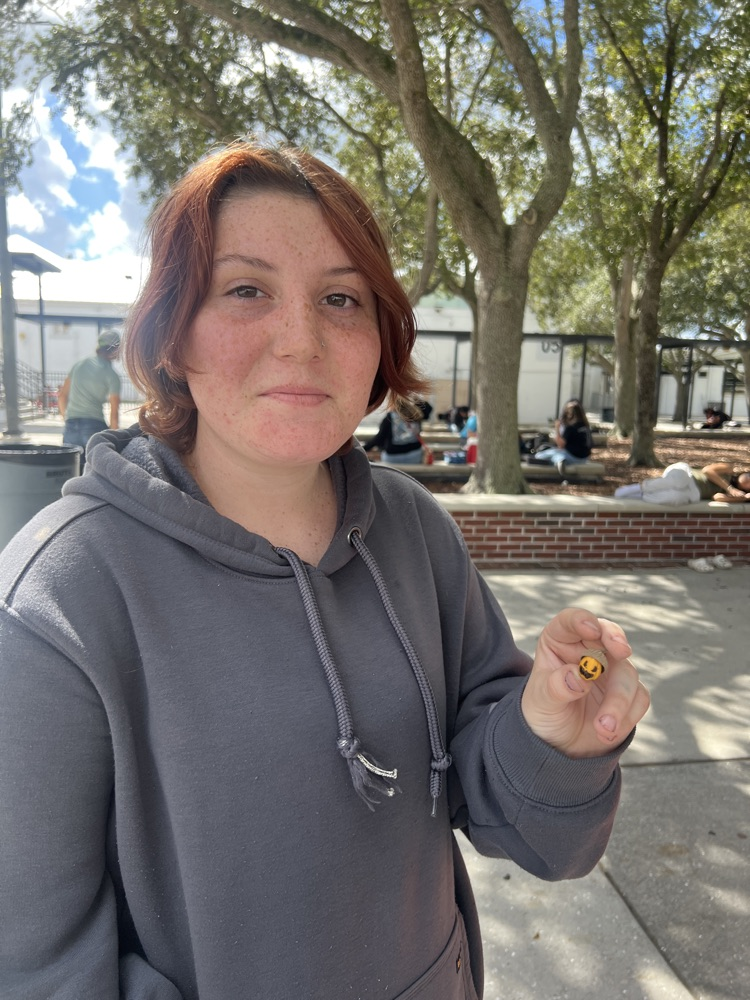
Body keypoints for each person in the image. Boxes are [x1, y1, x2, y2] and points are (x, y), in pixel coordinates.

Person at [0, 142, 649, 1000]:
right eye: (245, 290)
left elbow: (528, 828)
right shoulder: (59, 599)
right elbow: (37, 968)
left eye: (341, 298)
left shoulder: (415, 530)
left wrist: (552, 740)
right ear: (170, 329)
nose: (302, 339)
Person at [58, 328, 122, 459]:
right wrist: (114, 436)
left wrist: (67, 417)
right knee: (95, 472)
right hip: (94, 426)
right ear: (115, 350)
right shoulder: (112, 375)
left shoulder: (78, 365)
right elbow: (114, 413)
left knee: (71, 469)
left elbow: (62, 396)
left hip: (71, 424)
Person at [614, 461, 750, 505]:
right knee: (679, 482)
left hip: (694, 493)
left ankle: (641, 496)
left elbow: (717, 498)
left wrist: (741, 498)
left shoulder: (739, 494)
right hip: (688, 475)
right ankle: (639, 487)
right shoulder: (729, 469)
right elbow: (708, 470)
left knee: (675, 497)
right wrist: (729, 488)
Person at [531, 398, 593, 475]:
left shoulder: (570, 427)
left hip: (572, 456)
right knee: (554, 452)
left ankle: (559, 461)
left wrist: (557, 428)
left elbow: (560, 444)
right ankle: (560, 461)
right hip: (584, 458)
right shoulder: (585, 426)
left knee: (541, 455)